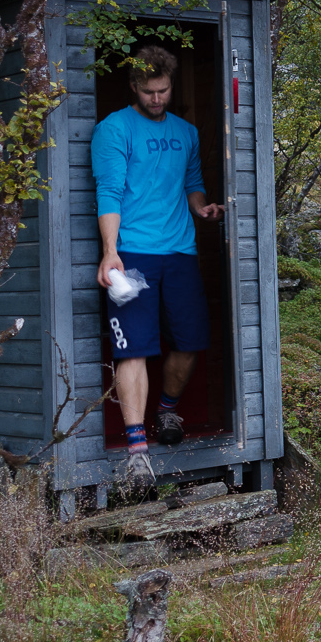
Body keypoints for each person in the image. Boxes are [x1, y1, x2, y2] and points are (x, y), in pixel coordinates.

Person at [92, 44, 223, 484]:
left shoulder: (186, 132)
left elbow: (193, 184)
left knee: (190, 341)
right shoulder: (114, 130)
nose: (156, 99)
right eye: (148, 92)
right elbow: (109, 192)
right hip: (133, 254)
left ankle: (166, 413)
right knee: (135, 348)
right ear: (134, 87)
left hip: (181, 252)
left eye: (163, 91)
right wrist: (111, 252)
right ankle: (136, 449)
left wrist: (202, 208)